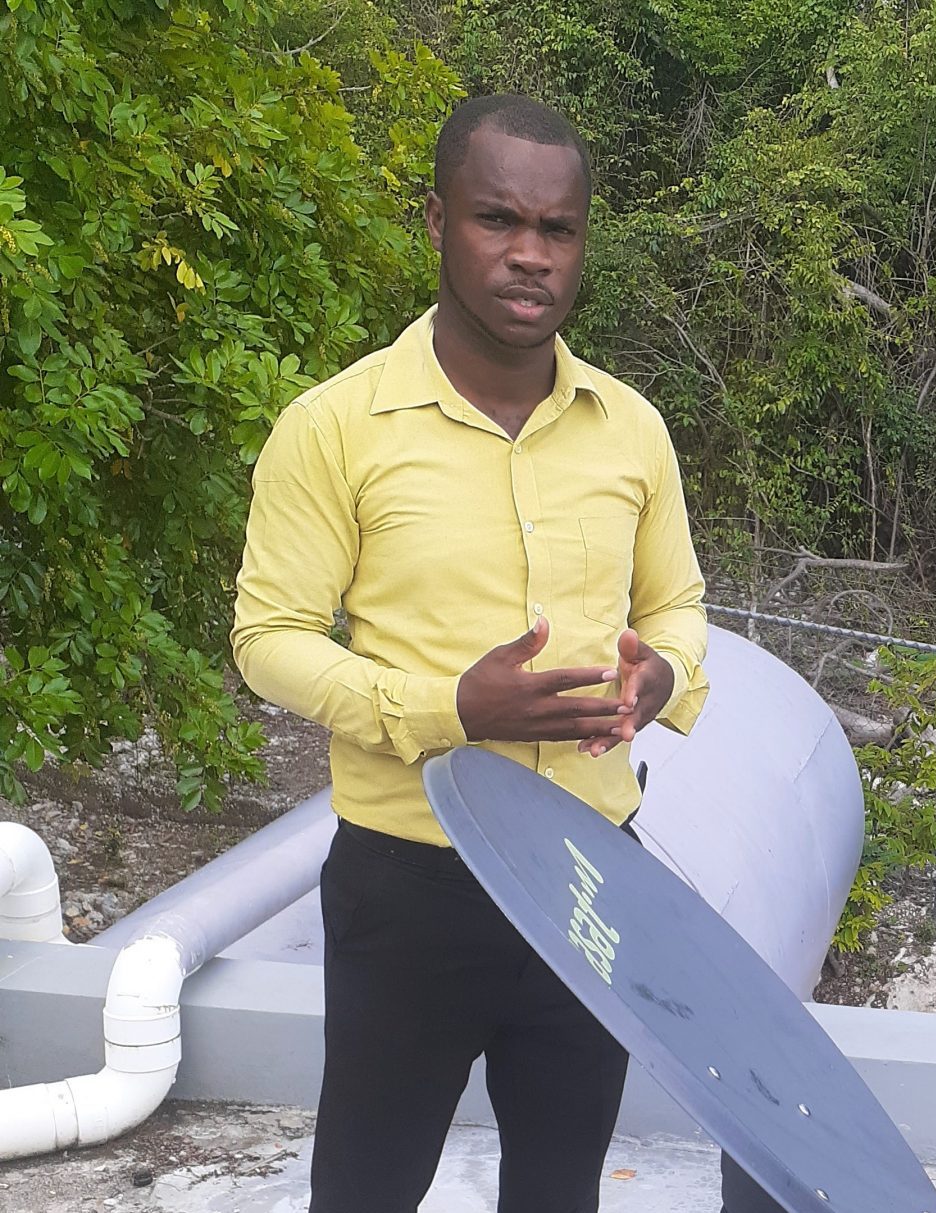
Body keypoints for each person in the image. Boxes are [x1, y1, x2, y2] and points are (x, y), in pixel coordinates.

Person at [231, 94, 764, 1213]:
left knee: (560, 1190)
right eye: (496, 219)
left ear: (581, 242)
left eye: (557, 229)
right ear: (436, 221)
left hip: (589, 875)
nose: (529, 254)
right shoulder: (335, 427)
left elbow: (680, 607)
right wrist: (449, 709)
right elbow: (268, 641)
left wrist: (658, 676)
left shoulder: (632, 429)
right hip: (409, 882)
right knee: (365, 1191)